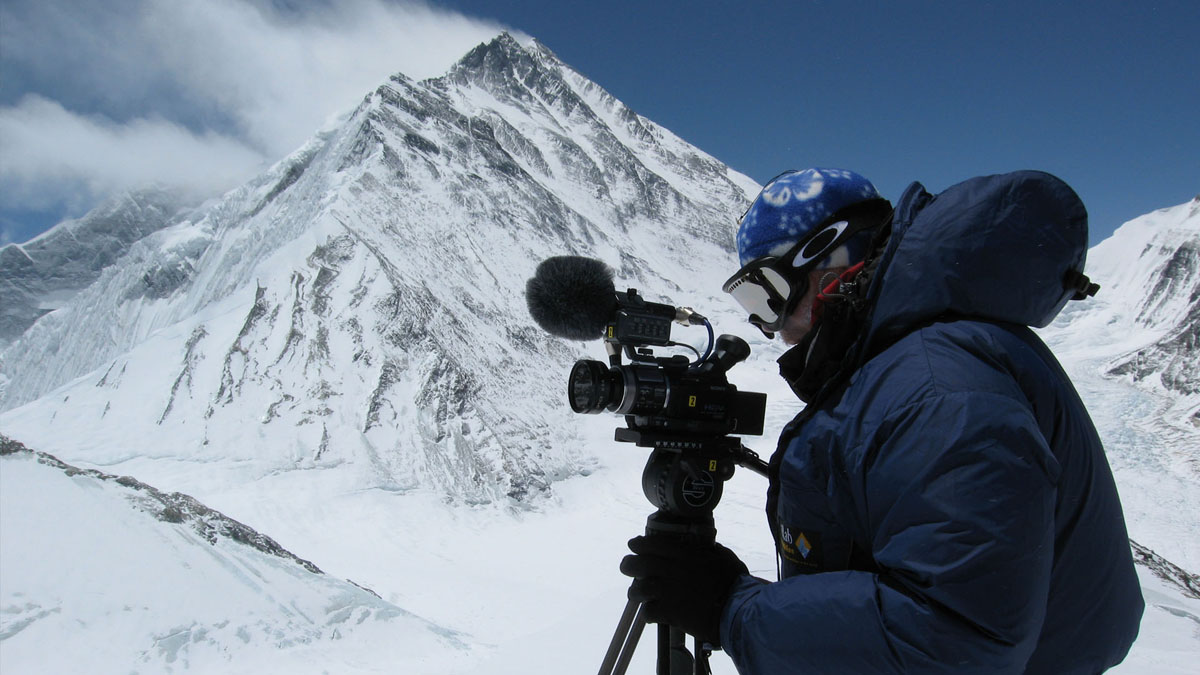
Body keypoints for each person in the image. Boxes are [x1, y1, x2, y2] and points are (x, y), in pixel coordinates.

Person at [620, 168, 1145, 673]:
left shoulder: (936, 390)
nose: (769, 328)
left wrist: (731, 610)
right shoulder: (907, 363)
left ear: (829, 262)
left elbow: (959, 638)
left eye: (768, 296)